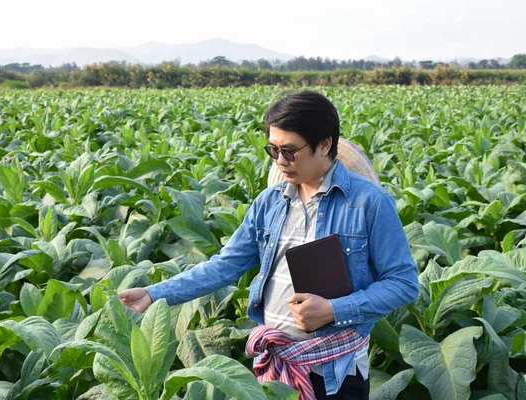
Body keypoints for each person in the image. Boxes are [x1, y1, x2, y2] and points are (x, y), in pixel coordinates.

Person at [118, 90, 419, 399]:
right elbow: (226, 265)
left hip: (335, 374)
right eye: (273, 150)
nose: (280, 161)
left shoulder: (369, 203)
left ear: (325, 143)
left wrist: (332, 310)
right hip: (275, 368)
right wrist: (155, 294)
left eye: (289, 151)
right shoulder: (269, 202)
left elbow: (404, 283)